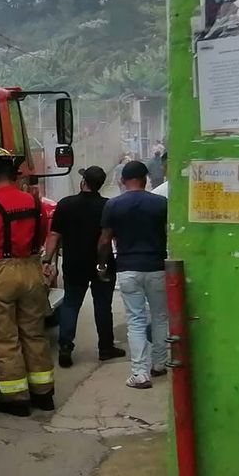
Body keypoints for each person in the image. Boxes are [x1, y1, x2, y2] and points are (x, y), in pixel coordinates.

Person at [0, 148, 54, 416]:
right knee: (34, 333)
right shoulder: (33, 203)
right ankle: (43, 393)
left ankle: (15, 399)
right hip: (31, 270)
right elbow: (41, 236)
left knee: (5, 338)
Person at [42, 166, 126, 369]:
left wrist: (47, 260)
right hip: (102, 263)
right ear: (100, 185)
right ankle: (105, 348)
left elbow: (54, 235)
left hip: (74, 263)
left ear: (83, 182)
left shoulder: (66, 204)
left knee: (71, 304)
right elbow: (112, 238)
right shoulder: (108, 206)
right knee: (103, 306)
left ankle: (65, 347)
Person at [98, 159, 169, 390]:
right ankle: (159, 364)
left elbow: (105, 240)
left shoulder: (113, 205)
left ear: (122, 180)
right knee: (159, 317)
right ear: (145, 179)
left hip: (128, 268)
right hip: (157, 267)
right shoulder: (161, 203)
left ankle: (140, 373)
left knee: (136, 321)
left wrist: (102, 265)